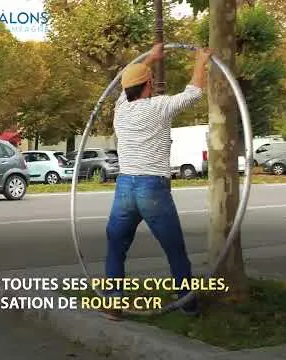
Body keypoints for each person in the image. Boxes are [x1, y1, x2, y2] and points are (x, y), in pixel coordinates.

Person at [103, 43, 212, 320]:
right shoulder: (159, 107)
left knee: (116, 244)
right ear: (149, 84)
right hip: (152, 188)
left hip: (125, 186)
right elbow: (194, 93)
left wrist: (150, 58)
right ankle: (186, 303)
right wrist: (201, 61)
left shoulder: (120, 109)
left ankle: (113, 301)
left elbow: (129, 78)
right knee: (174, 247)